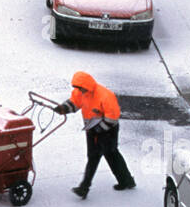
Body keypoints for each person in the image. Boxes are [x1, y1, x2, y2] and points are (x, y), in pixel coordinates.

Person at [53, 71, 136, 199]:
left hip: (108, 131)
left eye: (81, 88)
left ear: (87, 86)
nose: (79, 90)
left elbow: (112, 118)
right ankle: (127, 181)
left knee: (95, 157)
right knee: (111, 154)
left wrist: (99, 129)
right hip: (92, 129)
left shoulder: (105, 96)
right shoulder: (80, 92)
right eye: (78, 88)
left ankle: (84, 187)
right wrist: (63, 108)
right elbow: (74, 103)